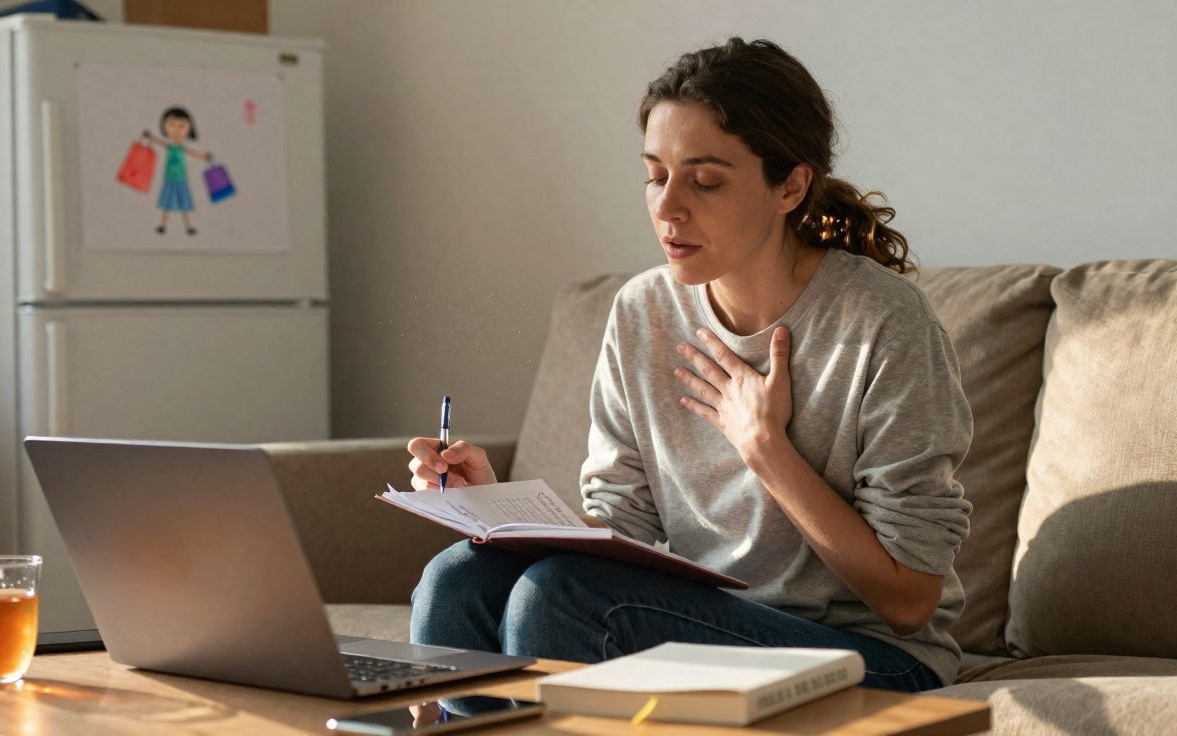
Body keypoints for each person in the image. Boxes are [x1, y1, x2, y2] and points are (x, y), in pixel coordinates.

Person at [405, 37, 972, 692]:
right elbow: (620, 532)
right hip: (706, 619)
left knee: (560, 596)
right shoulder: (642, 311)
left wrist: (767, 449)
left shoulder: (884, 325)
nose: (668, 207)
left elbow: (909, 602)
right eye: (655, 174)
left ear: (790, 186)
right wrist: (498, 511)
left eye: (705, 181)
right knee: (458, 580)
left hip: (874, 656)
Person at [143, 106, 211, 236]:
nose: (176, 130)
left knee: (183, 202)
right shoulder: (169, 146)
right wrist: (150, 137)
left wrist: (204, 156)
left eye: (182, 126)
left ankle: (188, 226)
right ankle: (163, 225)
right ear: (165, 127)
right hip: (169, 178)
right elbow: (159, 142)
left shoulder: (181, 148)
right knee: (167, 203)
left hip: (181, 178)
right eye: (172, 125)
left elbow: (193, 153)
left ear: (189, 129)